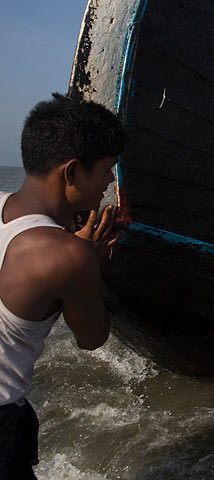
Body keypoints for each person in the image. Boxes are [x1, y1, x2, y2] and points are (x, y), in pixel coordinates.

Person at [0, 93, 123, 478]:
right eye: (107, 170)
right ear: (71, 173)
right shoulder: (68, 257)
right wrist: (89, 263)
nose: (110, 182)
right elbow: (92, 338)